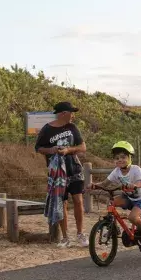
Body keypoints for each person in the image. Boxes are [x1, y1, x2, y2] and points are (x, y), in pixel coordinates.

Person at [35, 101, 88, 247]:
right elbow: (38, 148)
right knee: (61, 203)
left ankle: (80, 234)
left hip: (74, 169)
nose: (73, 116)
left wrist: (68, 150)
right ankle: (65, 238)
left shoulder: (72, 128)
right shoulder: (47, 129)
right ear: (63, 113)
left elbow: (82, 147)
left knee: (78, 200)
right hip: (57, 173)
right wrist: (51, 150)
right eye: (71, 113)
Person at [88, 141, 141, 248]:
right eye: (117, 158)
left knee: (132, 217)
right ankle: (111, 226)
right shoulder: (116, 171)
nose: (120, 160)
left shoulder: (135, 169)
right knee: (111, 203)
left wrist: (135, 185)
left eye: (123, 157)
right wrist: (95, 185)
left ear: (129, 158)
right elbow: (105, 183)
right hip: (127, 197)